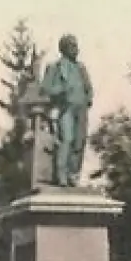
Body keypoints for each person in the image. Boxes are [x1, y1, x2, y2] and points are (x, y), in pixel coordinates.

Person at [40, 34, 94, 187]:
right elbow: (45, 89)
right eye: (72, 46)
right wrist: (60, 90)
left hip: (81, 108)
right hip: (65, 108)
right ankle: (61, 175)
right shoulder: (55, 67)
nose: (76, 49)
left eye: (76, 46)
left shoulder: (81, 68)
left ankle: (73, 175)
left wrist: (88, 97)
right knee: (67, 139)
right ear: (64, 48)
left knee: (79, 141)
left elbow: (88, 87)